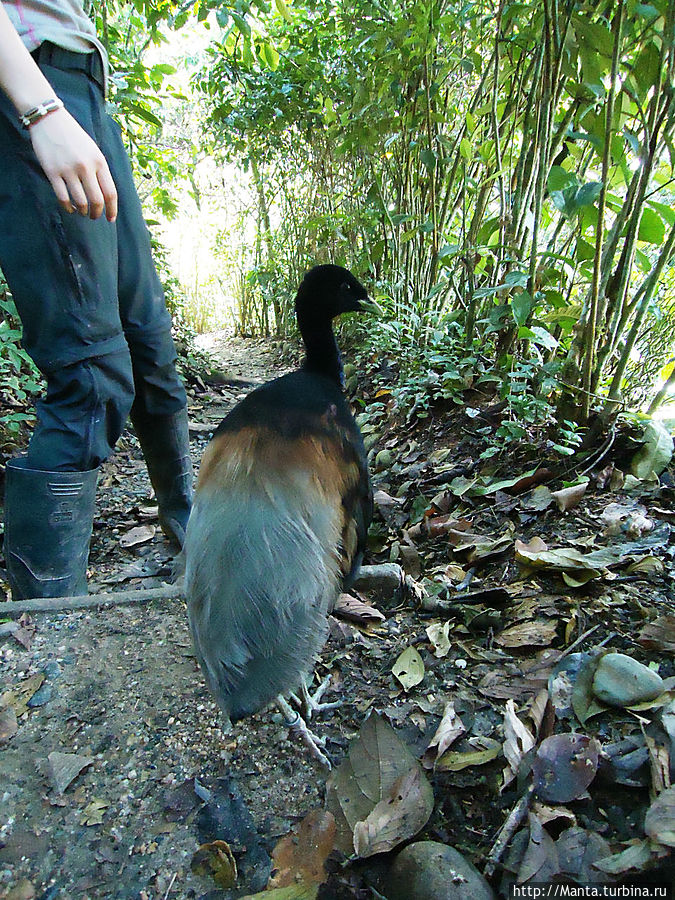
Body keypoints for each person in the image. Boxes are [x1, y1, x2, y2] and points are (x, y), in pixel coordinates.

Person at [0, 0, 193, 600]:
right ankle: (44, 626)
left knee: (148, 345)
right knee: (90, 372)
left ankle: (189, 535)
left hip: (84, 89)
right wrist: (40, 110)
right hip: (28, 86)